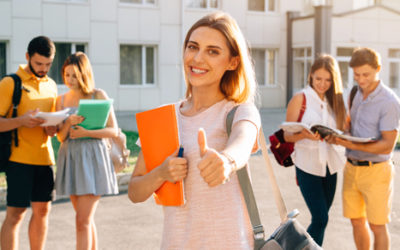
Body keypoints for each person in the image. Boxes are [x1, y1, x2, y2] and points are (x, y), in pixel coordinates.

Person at [128, 12, 260, 249]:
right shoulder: (161, 118)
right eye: (193, 47)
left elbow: (243, 142)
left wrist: (227, 162)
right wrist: (161, 174)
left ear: (233, 62)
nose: (197, 58)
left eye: (213, 51)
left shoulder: (240, 112)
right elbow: (135, 192)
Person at [334, 48, 400, 250]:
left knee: (377, 225)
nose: (360, 80)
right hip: (352, 168)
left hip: (377, 171)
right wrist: (339, 133)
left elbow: (387, 144)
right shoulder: (354, 92)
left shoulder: (389, 102)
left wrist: (349, 144)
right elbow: (350, 126)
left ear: (378, 69)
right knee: (356, 221)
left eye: (366, 74)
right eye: (356, 75)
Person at [54, 52, 119, 250]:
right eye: (66, 75)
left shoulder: (97, 95)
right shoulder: (61, 100)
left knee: (82, 221)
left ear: (84, 74)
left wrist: (85, 132)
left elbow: (113, 130)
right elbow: (60, 137)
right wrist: (67, 123)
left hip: (93, 160)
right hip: (71, 159)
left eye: (74, 75)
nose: (70, 80)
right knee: (85, 221)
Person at [0, 36, 57, 250]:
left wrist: (52, 127)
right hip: (18, 159)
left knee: (43, 212)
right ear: (27, 57)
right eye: (38, 64)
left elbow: (51, 122)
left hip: (45, 159)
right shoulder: (10, 83)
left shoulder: (51, 85)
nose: (43, 69)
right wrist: (21, 121)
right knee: (15, 214)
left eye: (48, 64)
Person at [283, 54, 346, 246]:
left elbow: (342, 131)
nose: (322, 84)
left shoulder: (335, 101)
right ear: (311, 75)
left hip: (330, 166)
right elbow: (287, 136)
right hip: (307, 165)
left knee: (322, 219)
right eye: (318, 78)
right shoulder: (300, 99)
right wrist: (304, 134)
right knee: (320, 218)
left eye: (328, 80)